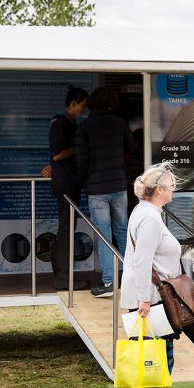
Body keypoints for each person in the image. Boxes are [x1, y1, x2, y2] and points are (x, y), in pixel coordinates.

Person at [120, 162, 182, 388]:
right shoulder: (147, 217)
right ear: (159, 190)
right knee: (146, 352)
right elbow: (142, 261)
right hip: (150, 297)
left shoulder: (148, 213)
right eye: (171, 186)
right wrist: (144, 299)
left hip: (154, 296)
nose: (174, 190)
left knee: (160, 349)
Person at [75, 88, 139, 298]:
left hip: (96, 189)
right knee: (122, 231)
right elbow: (132, 147)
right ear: (111, 102)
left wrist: (82, 181)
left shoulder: (84, 127)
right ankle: (133, 279)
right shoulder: (119, 124)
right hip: (119, 186)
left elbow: (81, 159)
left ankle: (109, 283)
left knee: (103, 235)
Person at [40, 86, 89, 290]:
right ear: (74, 103)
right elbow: (58, 154)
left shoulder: (67, 122)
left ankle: (65, 276)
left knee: (68, 228)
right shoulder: (60, 122)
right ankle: (63, 277)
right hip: (65, 183)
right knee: (66, 229)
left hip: (68, 181)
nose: (84, 110)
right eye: (83, 106)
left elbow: (55, 157)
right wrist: (79, 148)